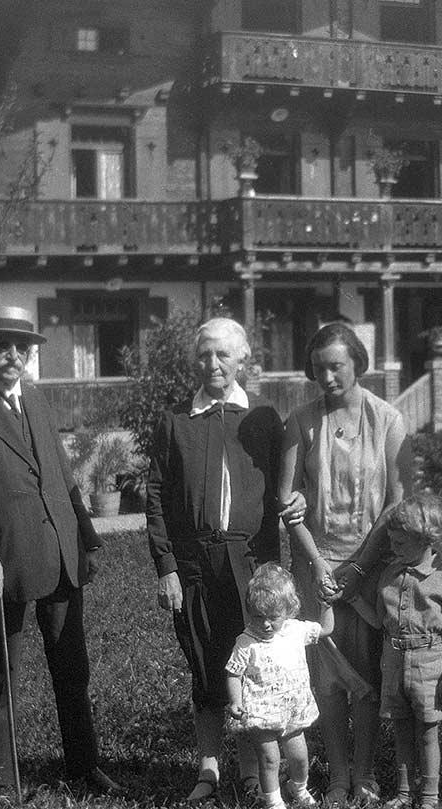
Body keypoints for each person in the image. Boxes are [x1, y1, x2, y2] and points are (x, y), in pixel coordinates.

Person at [0, 304, 121, 795]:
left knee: (72, 667)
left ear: (30, 353)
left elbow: (63, 478)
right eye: (2, 345)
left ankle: (83, 766)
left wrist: (85, 540)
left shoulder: (36, 401)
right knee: (0, 671)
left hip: (59, 554)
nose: (12, 355)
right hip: (1, 563)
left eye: (21, 347)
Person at [146, 316, 289, 804]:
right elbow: (156, 495)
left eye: (223, 354)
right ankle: (208, 769)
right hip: (194, 563)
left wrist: (274, 566)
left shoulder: (262, 419)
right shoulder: (176, 421)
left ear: (242, 359)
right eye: (204, 354)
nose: (213, 364)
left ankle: (249, 770)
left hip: (250, 560)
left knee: (251, 661)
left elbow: (282, 488)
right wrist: (166, 566)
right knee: (205, 663)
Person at [279, 321, 411, 806]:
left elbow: (397, 503)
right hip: (317, 570)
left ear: (358, 363)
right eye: (319, 369)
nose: (327, 377)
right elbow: (286, 500)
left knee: (369, 676)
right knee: (329, 679)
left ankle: (366, 773)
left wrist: (359, 569)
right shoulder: (301, 421)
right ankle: (337, 776)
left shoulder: (388, 420)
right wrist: (318, 565)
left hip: (371, 567)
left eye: (336, 366)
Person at [361, 493, 442, 809]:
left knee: (427, 733)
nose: (393, 548)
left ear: (426, 539)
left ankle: (430, 796)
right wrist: (351, 600)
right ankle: (404, 793)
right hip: (393, 662)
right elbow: (379, 620)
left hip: (428, 662)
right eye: (392, 541)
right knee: (402, 730)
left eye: (400, 543)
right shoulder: (390, 574)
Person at [226, 563, 336, 809]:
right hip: (261, 711)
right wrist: (235, 701)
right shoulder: (246, 642)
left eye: (273, 617)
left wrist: (327, 606)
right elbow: (233, 673)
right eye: (258, 617)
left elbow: (326, 629)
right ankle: (273, 801)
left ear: (288, 610)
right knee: (269, 758)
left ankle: (298, 787)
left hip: (293, 710)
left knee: (300, 757)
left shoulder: (295, 630)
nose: (266, 624)